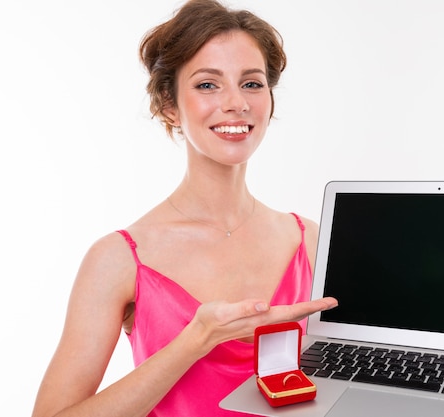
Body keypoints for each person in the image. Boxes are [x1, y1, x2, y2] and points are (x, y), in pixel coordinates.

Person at [31, 1, 338, 416]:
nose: (236, 103)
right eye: (208, 85)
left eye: (252, 83)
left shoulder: (309, 238)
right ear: (169, 105)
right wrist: (198, 338)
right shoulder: (118, 259)